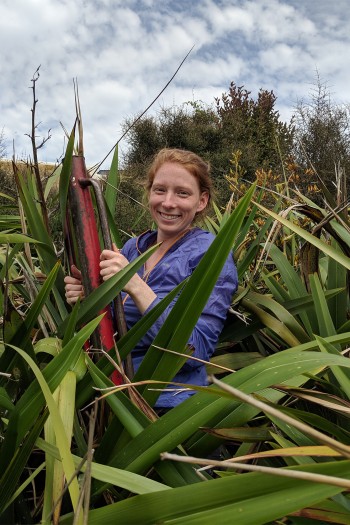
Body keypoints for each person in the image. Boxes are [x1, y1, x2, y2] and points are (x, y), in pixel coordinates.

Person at [64, 148, 238, 408]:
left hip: (168, 406)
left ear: (201, 201)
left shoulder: (212, 256)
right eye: (160, 190)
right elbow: (111, 325)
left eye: (182, 193)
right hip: (110, 396)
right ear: (149, 194)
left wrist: (134, 285)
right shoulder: (132, 249)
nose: (168, 202)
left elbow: (196, 352)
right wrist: (86, 297)